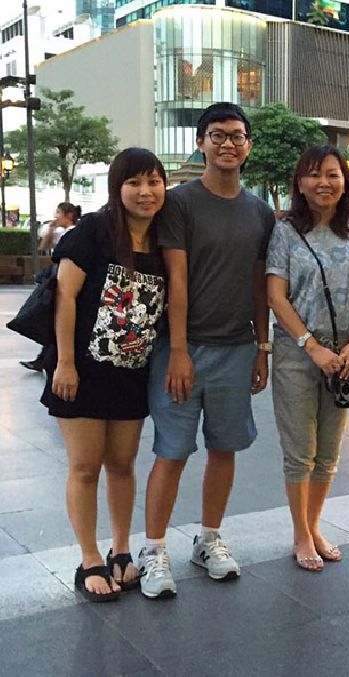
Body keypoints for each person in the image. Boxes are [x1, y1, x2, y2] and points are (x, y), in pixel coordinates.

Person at [137, 102, 274, 600]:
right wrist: (177, 350)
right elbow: (176, 278)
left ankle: (209, 538)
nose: (228, 143)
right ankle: (152, 549)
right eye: (217, 135)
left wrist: (262, 346)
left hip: (238, 349)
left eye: (237, 135)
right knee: (171, 452)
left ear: (248, 145)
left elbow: (260, 285)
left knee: (224, 448)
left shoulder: (259, 211)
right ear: (201, 142)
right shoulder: (180, 203)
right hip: (183, 350)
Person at [40, 148, 167, 602]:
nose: (145, 191)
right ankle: (90, 558)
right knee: (85, 466)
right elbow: (66, 297)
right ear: (118, 188)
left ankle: (121, 550)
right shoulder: (93, 230)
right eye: (134, 182)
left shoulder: (161, 238)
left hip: (131, 374)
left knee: (122, 465)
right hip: (83, 372)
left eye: (154, 181)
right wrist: (66, 364)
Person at [267, 145, 349, 571]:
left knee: (329, 452)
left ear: (344, 180)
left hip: (345, 356)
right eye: (313, 175)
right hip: (299, 354)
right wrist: (312, 346)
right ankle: (300, 534)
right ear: (300, 183)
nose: (323, 183)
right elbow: (276, 296)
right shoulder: (285, 231)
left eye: (332, 174)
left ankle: (313, 526)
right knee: (300, 451)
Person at [21, 202, 83, 372]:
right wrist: (50, 228)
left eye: (59, 213)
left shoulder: (75, 233)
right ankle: (44, 359)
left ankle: (45, 360)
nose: (56, 216)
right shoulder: (59, 232)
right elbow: (44, 246)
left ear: (69, 215)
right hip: (56, 276)